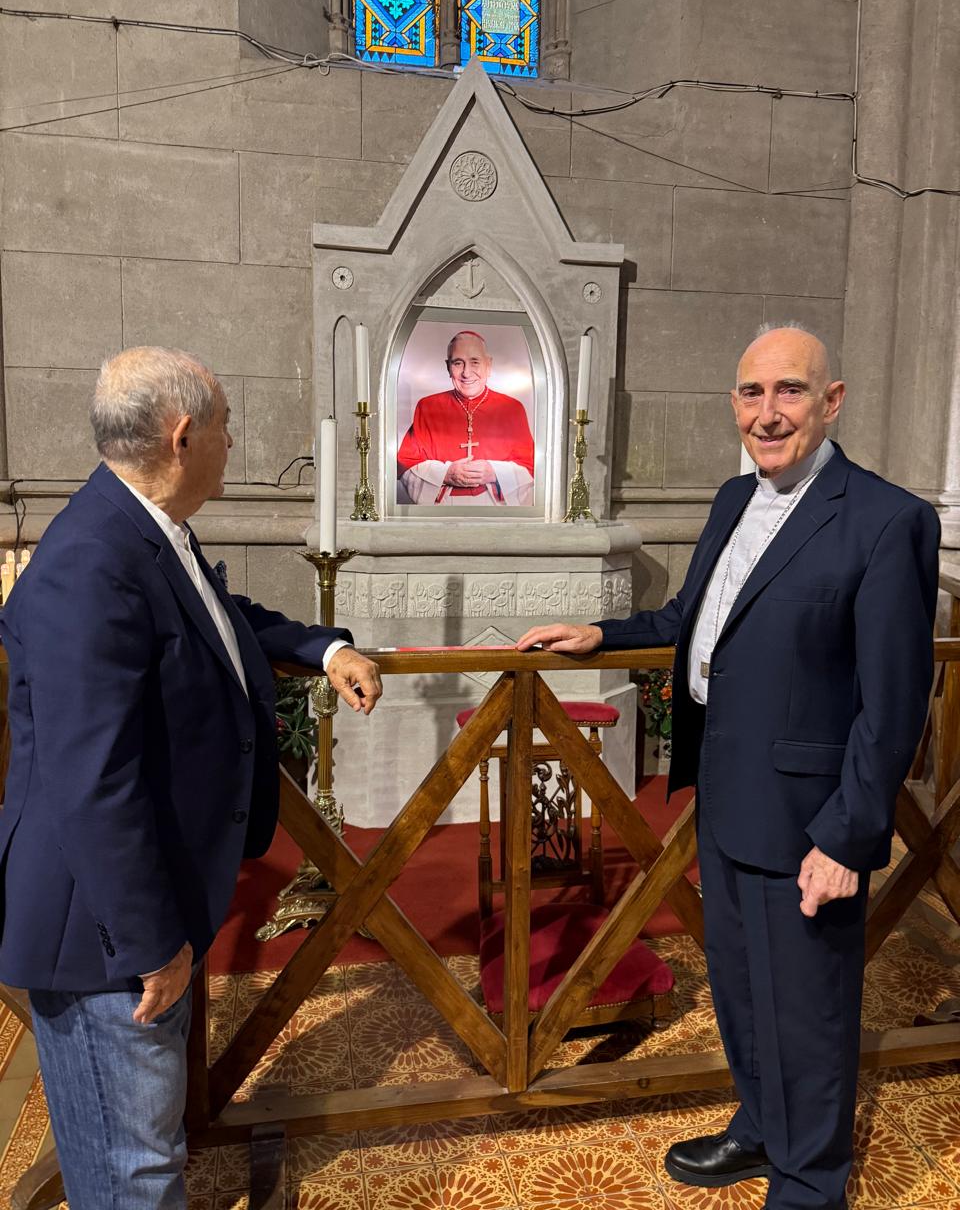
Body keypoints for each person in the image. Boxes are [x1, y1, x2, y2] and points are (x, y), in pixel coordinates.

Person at [517, 324, 940, 1210]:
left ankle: (809, 1181)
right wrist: (605, 633)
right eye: (751, 393)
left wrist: (849, 835)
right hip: (728, 798)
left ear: (833, 401)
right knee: (744, 990)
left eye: (790, 392)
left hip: (810, 821)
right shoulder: (729, 500)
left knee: (810, 1013)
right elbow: (688, 617)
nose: (767, 412)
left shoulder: (886, 519)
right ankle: (759, 1128)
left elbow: (892, 705)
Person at [0, 347, 382, 1210]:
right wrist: (149, 945)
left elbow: (220, 618)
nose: (233, 441)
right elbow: (90, 780)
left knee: (146, 1149)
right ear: (182, 437)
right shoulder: (89, 563)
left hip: (138, 908)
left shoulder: (141, 527)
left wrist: (324, 647)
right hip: (101, 934)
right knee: (132, 1173)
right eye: (224, 425)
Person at [397, 329, 535, 505]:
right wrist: (446, 473)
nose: (466, 373)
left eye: (475, 362)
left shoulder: (512, 408)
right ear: (448, 367)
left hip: (497, 510)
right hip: (444, 511)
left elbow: (532, 467)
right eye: (458, 363)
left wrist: (494, 472)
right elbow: (406, 464)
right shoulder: (427, 407)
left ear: (488, 365)